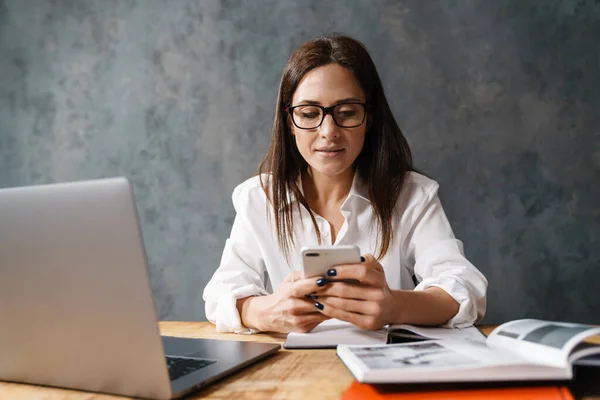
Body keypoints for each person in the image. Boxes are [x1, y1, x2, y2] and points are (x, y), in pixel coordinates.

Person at [203, 34, 487, 334]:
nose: (329, 131)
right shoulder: (259, 198)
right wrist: (266, 311)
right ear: (289, 121)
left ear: (370, 117)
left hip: (388, 368)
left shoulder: (411, 196)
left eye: (347, 112)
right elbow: (220, 293)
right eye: (310, 113)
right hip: (294, 372)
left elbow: (464, 288)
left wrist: (393, 306)